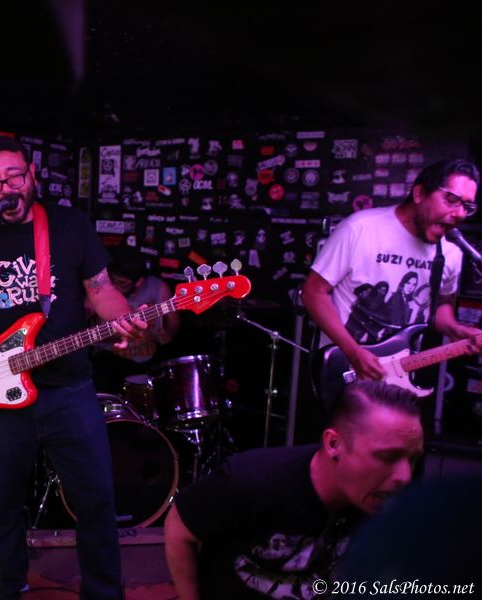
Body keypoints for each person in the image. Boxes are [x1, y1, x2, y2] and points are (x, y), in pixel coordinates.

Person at [0, 135, 147, 600]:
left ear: (32, 175)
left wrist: (121, 317)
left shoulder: (69, 226)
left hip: (68, 389)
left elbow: (101, 289)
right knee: (3, 507)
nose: (5, 186)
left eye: (13, 175)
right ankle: (3, 591)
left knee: (95, 502)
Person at [164, 381, 424, 600]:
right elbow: (178, 527)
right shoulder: (251, 481)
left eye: (412, 459)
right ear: (334, 443)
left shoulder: (389, 500)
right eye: (387, 457)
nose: (405, 477)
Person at [302, 158, 482, 383]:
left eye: (467, 207)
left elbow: (439, 306)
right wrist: (353, 351)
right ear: (419, 194)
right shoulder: (360, 228)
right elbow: (313, 292)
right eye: (452, 200)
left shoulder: (450, 252)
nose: (460, 214)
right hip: (347, 369)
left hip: (402, 375)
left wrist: (456, 329)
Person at [88, 245, 181, 393]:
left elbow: (174, 321)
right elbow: (83, 318)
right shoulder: (101, 289)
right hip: (111, 358)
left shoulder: (158, 287)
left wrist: (168, 333)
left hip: (148, 357)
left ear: (139, 282)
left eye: (122, 283)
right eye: (113, 281)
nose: (116, 287)